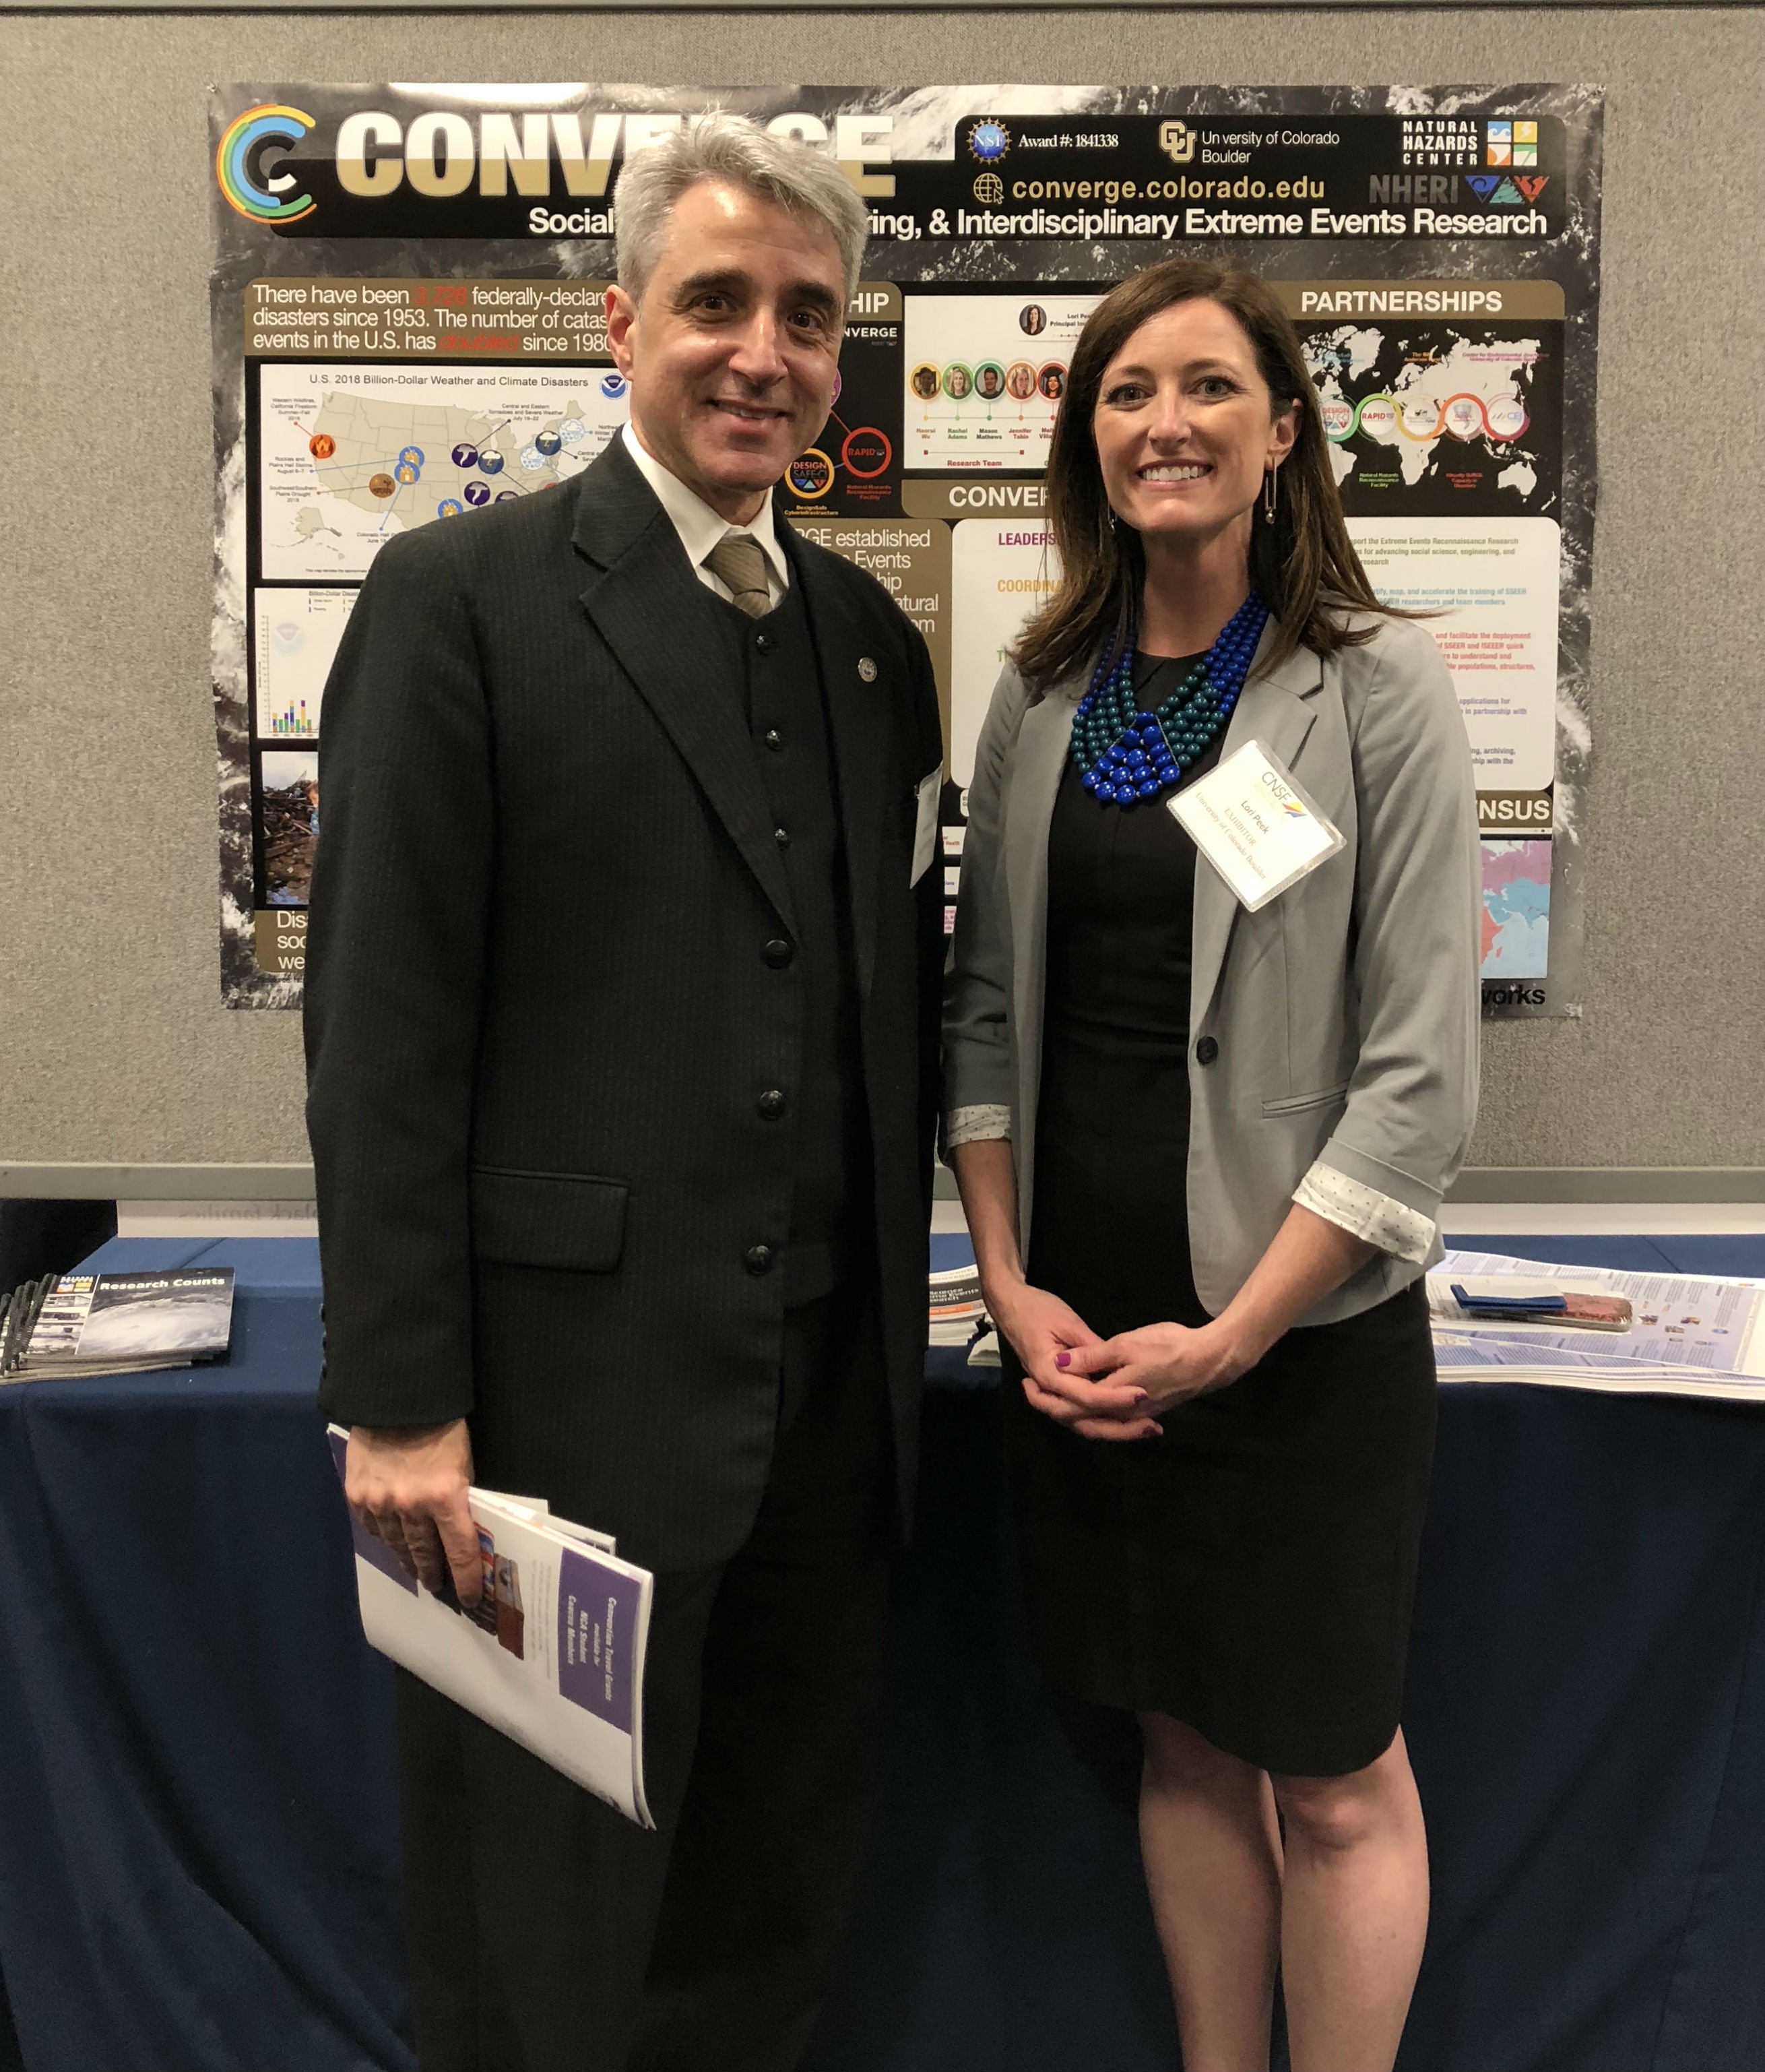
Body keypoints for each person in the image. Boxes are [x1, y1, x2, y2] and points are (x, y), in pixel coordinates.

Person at [307, 115, 945, 2072]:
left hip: (826, 1421)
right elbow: (381, 1024)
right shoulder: (462, 597)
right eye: (718, 304)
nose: (765, 351)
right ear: (619, 322)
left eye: (808, 318)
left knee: (763, 1925)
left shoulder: (862, 647)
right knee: (543, 1952)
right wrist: (399, 1397)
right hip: (554, 1431)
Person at [942, 257, 1479, 2072]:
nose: (1159, 421)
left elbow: (1415, 1078)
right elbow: (983, 1025)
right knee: (1177, 1739)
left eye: (1202, 386)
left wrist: (1238, 1331)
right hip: (1084, 1339)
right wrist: (1010, 1285)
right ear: (1085, 438)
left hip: (1295, 1337)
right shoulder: (1038, 695)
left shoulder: (1376, 686)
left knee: (1328, 1781)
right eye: (1120, 392)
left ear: (1280, 429)